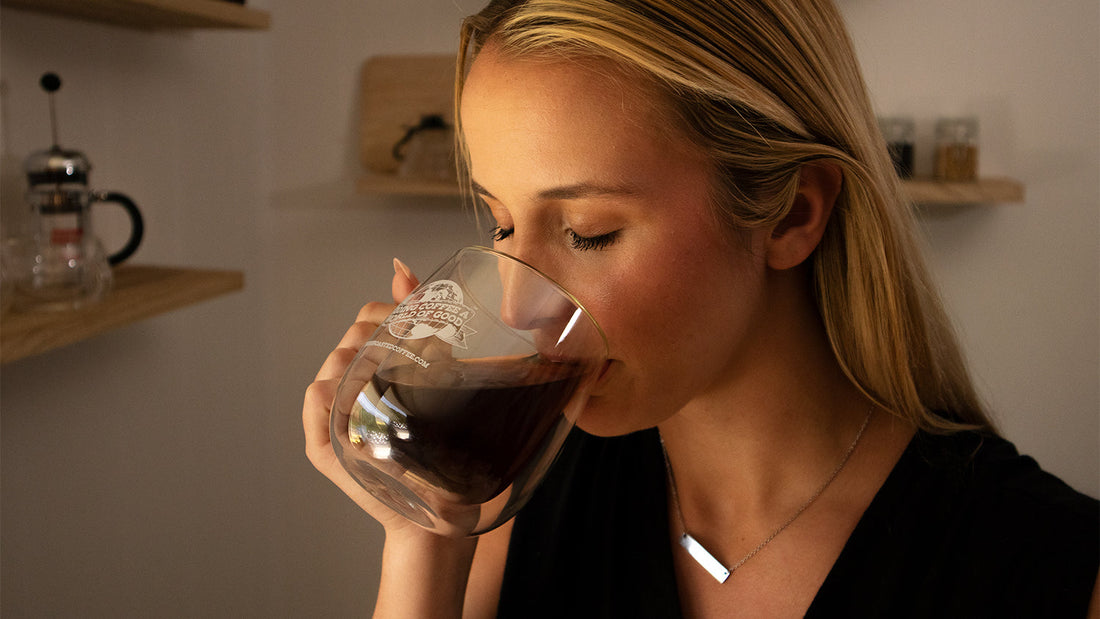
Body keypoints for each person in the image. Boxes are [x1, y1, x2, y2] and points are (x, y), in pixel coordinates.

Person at [304, 0, 1099, 616]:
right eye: (502, 224)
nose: (517, 302)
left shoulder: (1045, 568)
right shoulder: (512, 507)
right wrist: (422, 545)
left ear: (791, 215)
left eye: (589, 231)